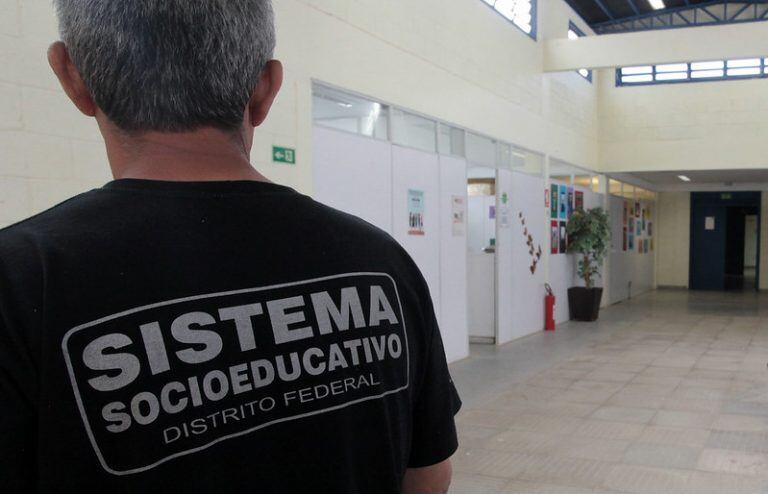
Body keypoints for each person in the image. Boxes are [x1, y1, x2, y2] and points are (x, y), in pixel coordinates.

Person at [0, 1, 461, 493]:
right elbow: (428, 475)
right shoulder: (380, 262)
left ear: (72, 78)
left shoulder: (21, 280)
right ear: (265, 89)